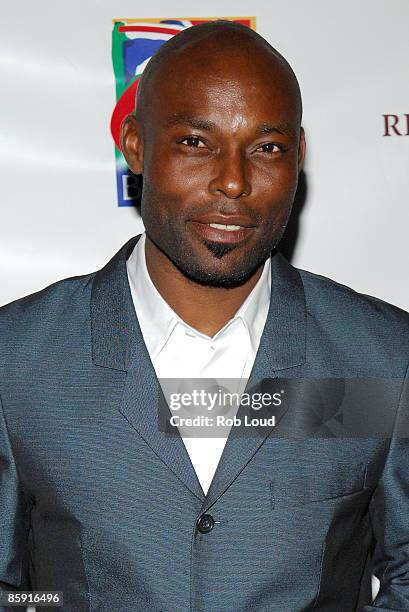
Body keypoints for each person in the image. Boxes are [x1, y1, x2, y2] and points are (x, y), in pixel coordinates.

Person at [0, 19, 408, 612]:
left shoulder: (381, 358)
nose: (234, 182)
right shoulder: (17, 360)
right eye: (196, 142)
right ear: (135, 145)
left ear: (300, 155)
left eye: (267, 148)